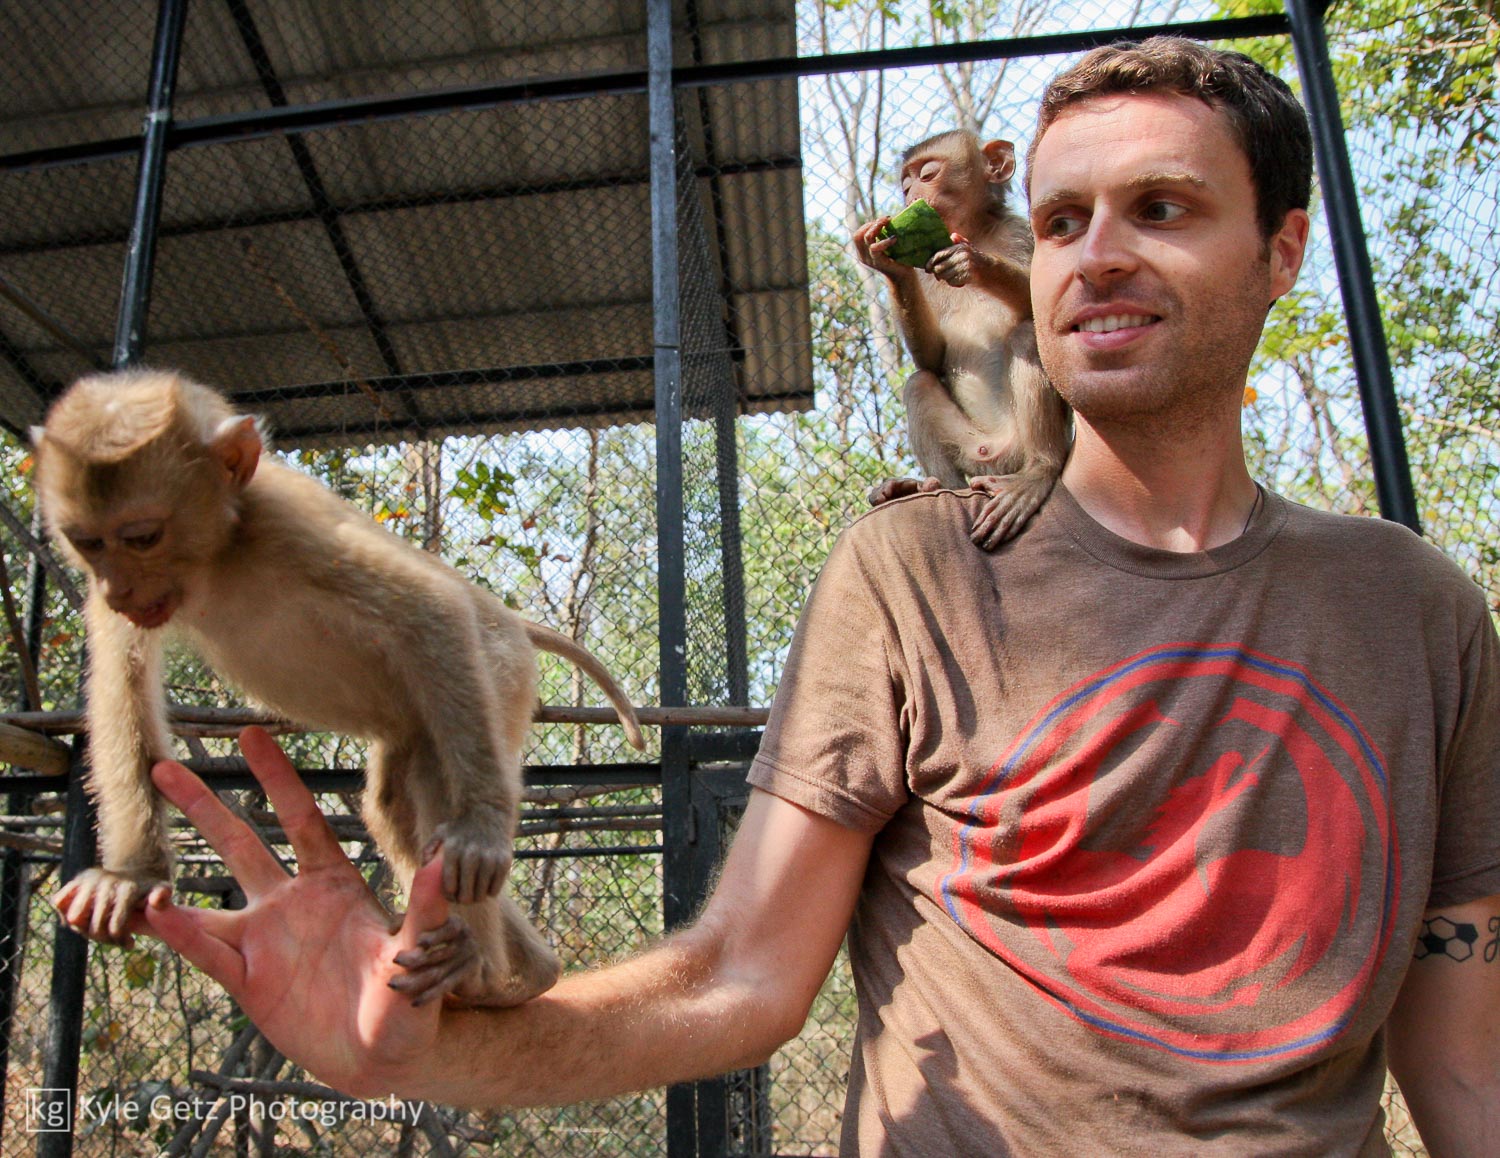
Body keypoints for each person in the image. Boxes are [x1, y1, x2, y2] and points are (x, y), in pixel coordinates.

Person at [113, 36, 1498, 1154]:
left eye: (1165, 209)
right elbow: (739, 975)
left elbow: (1462, 1055)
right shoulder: (915, 571)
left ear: (1283, 251)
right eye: (1066, 221)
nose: (1097, 256)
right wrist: (422, 1056)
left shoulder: (1418, 610)